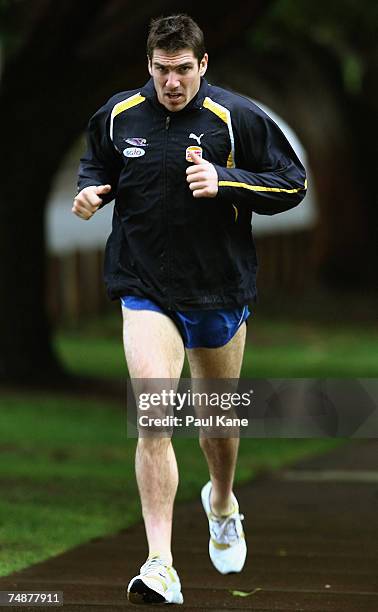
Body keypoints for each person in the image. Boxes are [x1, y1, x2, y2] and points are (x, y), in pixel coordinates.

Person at [73, 13, 307, 605]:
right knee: (154, 416)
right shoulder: (120, 114)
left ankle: (222, 501)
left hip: (220, 291)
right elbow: (98, 162)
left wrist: (226, 182)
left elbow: (292, 183)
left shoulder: (238, 117)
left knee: (217, 427)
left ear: (202, 65)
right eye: (160, 70)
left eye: (182, 70)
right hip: (144, 287)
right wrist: (92, 190)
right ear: (147, 66)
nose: (171, 82)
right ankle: (160, 566)